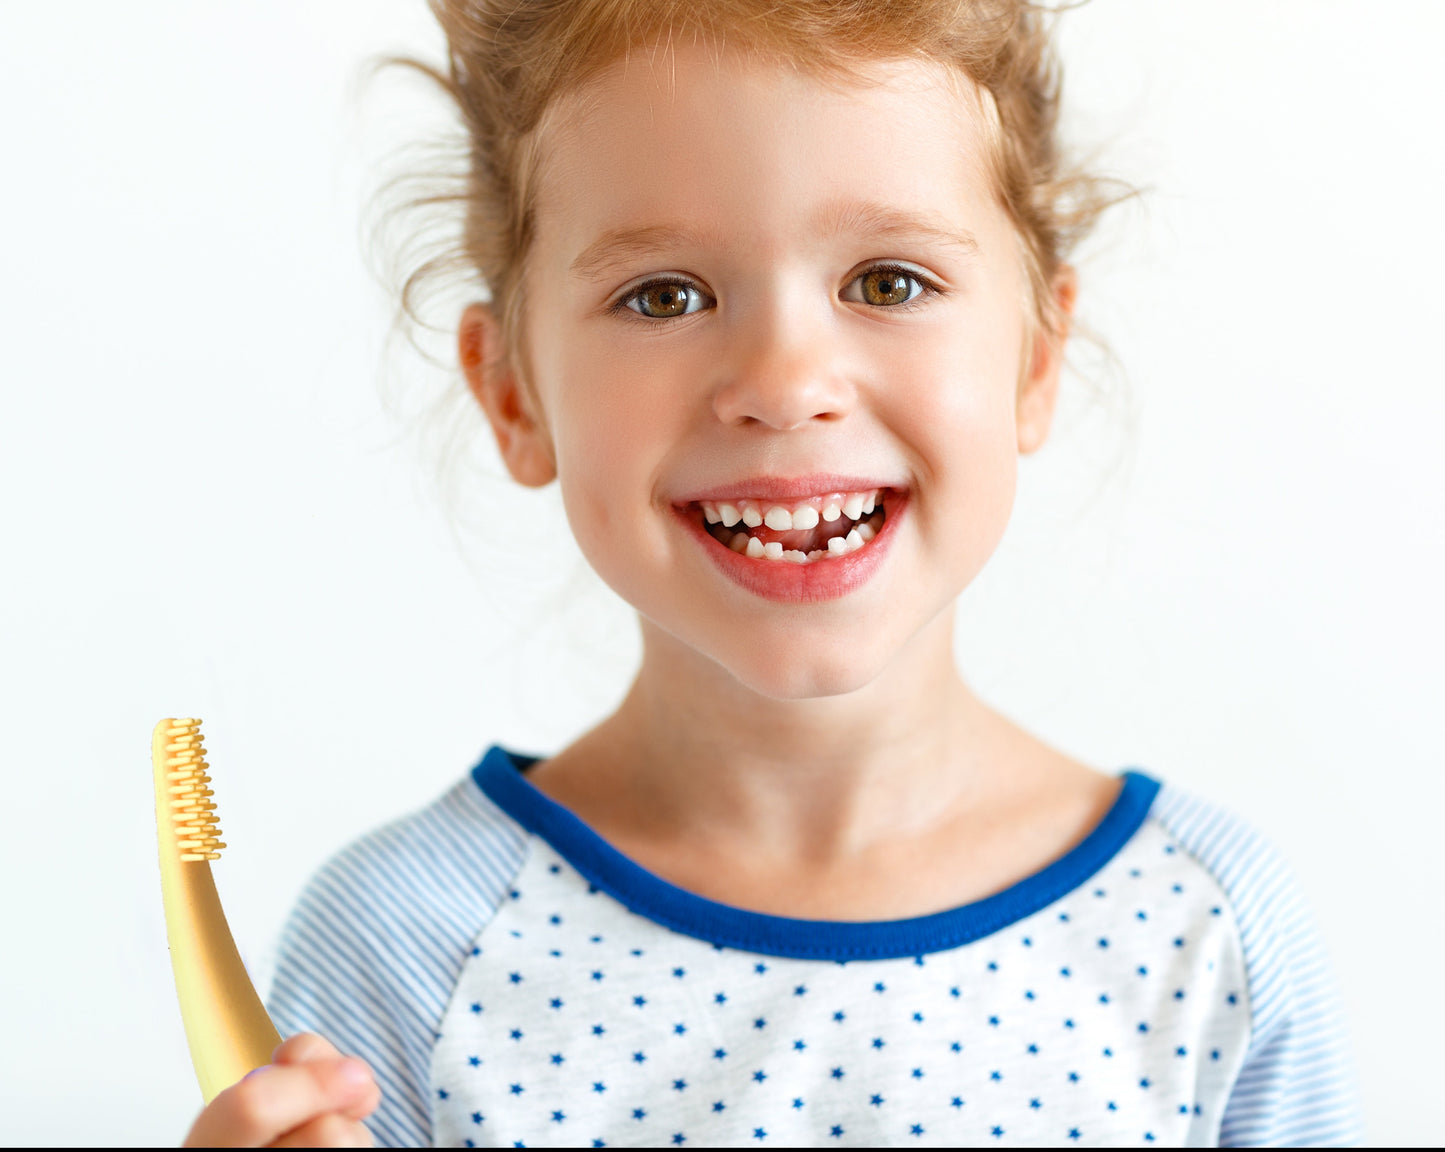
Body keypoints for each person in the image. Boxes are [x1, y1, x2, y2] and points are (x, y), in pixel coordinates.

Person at [182, 0, 1363, 1145]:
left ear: (1034, 361)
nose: (785, 380)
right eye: (663, 296)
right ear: (512, 393)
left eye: (886, 283)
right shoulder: (403, 946)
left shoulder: (1204, 937)